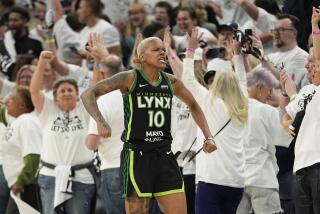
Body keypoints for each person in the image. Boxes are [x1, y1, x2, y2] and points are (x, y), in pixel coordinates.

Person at [81, 36, 216, 214]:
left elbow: (194, 106)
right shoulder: (128, 78)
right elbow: (87, 94)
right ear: (142, 57)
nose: (162, 52)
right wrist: (100, 121)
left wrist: (208, 136)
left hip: (165, 155)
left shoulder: (171, 81)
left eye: (163, 49)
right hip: (137, 155)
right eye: (156, 49)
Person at [30, 51, 95, 214]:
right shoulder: (48, 110)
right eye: (62, 91)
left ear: (77, 95)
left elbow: (95, 87)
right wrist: (41, 63)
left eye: (70, 90)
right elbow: (34, 90)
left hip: (82, 178)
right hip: (50, 177)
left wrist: (98, 60)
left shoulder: (84, 109)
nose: (66, 93)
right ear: (55, 98)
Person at [236, 68, 291, 214]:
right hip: (262, 178)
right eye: (270, 90)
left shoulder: (235, 110)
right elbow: (286, 136)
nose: (270, 94)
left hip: (238, 178)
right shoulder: (267, 111)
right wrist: (283, 103)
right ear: (259, 88)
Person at [2, 87, 42, 213]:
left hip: (28, 185)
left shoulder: (27, 122)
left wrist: (21, 181)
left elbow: (33, 156)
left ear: (22, 105)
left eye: (12, 99)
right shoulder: (17, 121)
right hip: (20, 186)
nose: (8, 101)